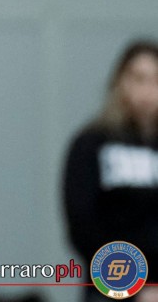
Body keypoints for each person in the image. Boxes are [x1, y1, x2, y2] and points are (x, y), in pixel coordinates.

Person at [62, 38, 158, 292]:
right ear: (120, 82)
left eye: (155, 80)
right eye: (139, 78)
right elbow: (82, 226)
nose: (148, 90)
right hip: (112, 286)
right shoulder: (91, 144)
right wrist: (133, 288)